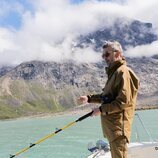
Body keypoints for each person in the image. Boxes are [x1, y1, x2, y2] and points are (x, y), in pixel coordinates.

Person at [78, 41, 139, 158]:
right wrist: (89, 98)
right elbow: (107, 97)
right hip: (113, 130)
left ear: (118, 54)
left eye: (107, 54)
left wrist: (101, 110)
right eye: (103, 55)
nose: (104, 58)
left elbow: (122, 102)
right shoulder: (115, 73)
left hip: (118, 130)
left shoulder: (123, 72)